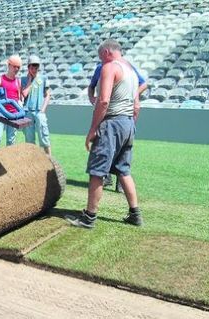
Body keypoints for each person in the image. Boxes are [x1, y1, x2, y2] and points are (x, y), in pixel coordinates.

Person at [69, 39, 143, 228]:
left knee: (97, 171)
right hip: (127, 123)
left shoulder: (110, 67)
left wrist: (93, 130)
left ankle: (89, 217)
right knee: (123, 170)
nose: (100, 61)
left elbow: (103, 102)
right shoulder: (132, 71)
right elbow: (136, 104)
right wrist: (129, 125)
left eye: (101, 56)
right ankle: (135, 214)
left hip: (112, 124)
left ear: (108, 52)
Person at [88, 61, 148, 193]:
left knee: (116, 150)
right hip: (110, 115)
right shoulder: (101, 67)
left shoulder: (126, 68)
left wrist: (134, 94)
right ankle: (107, 178)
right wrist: (92, 99)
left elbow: (143, 84)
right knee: (106, 150)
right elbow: (91, 86)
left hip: (118, 116)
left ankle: (118, 182)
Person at [21, 55, 52, 157]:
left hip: (39, 111)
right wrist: (29, 81)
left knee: (44, 136)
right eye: (32, 67)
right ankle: (32, 161)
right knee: (29, 139)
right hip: (27, 112)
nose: (34, 69)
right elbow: (24, 94)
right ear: (28, 67)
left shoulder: (43, 78)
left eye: (36, 67)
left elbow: (48, 95)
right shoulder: (23, 80)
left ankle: (50, 160)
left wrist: (43, 110)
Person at [0, 55, 22, 149]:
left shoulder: (18, 81)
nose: (16, 69)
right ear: (8, 65)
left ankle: (9, 161)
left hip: (13, 113)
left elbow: (19, 97)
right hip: (1, 112)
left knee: (11, 141)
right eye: (14, 66)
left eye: (18, 67)